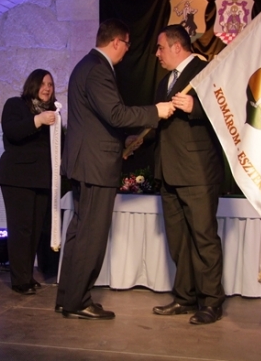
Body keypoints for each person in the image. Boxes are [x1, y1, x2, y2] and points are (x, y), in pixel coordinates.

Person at [56, 18, 175, 320]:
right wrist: (155, 111)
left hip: (86, 162)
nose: (127, 51)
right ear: (117, 42)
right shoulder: (98, 69)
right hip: (95, 166)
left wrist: (125, 139)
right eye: (127, 45)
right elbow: (116, 113)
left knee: (79, 232)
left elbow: (99, 120)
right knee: (91, 235)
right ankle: (78, 302)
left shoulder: (86, 66)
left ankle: (67, 297)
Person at [152, 24, 225, 324]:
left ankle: (211, 302)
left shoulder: (207, 71)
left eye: (160, 48)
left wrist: (196, 107)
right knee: (179, 241)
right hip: (169, 171)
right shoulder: (164, 82)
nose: (157, 54)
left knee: (203, 238)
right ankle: (184, 298)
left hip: (197, 171)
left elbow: (227, 112)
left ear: (177, 47)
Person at [0, 69, 58, 295]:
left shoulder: (54, 113)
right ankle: (19, 279)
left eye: (50, 84)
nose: (47, 88)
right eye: (43, 83)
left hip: (42, 178)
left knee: (35, 230)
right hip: (17, 178)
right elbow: (12, 131)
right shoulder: (15, 104)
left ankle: (26, 275)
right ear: (33, 85)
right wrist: (38, 120)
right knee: (21, 229)